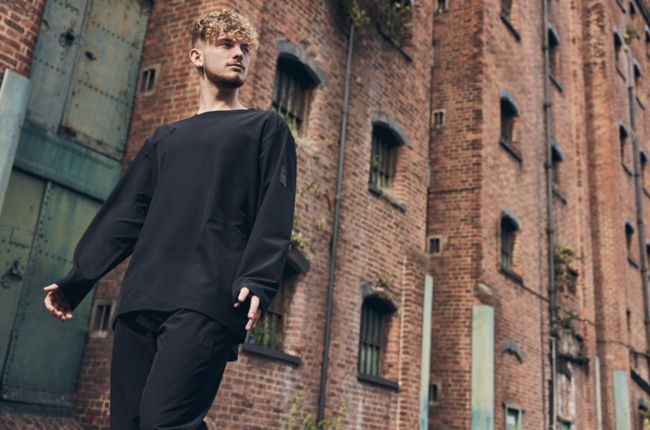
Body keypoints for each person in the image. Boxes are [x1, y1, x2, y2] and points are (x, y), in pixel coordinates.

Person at [42, 8, 297, 430]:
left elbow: (276, 209)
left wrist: (258, 279)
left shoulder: (265, 127)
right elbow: (125, 215)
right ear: (197, 56)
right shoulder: (166, 138)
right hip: (141, 299)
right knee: (129, 423)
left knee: (166, 421)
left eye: (245, 48)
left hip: (209, 299)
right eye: (226, 44)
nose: (239, 54)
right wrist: (78, 279)